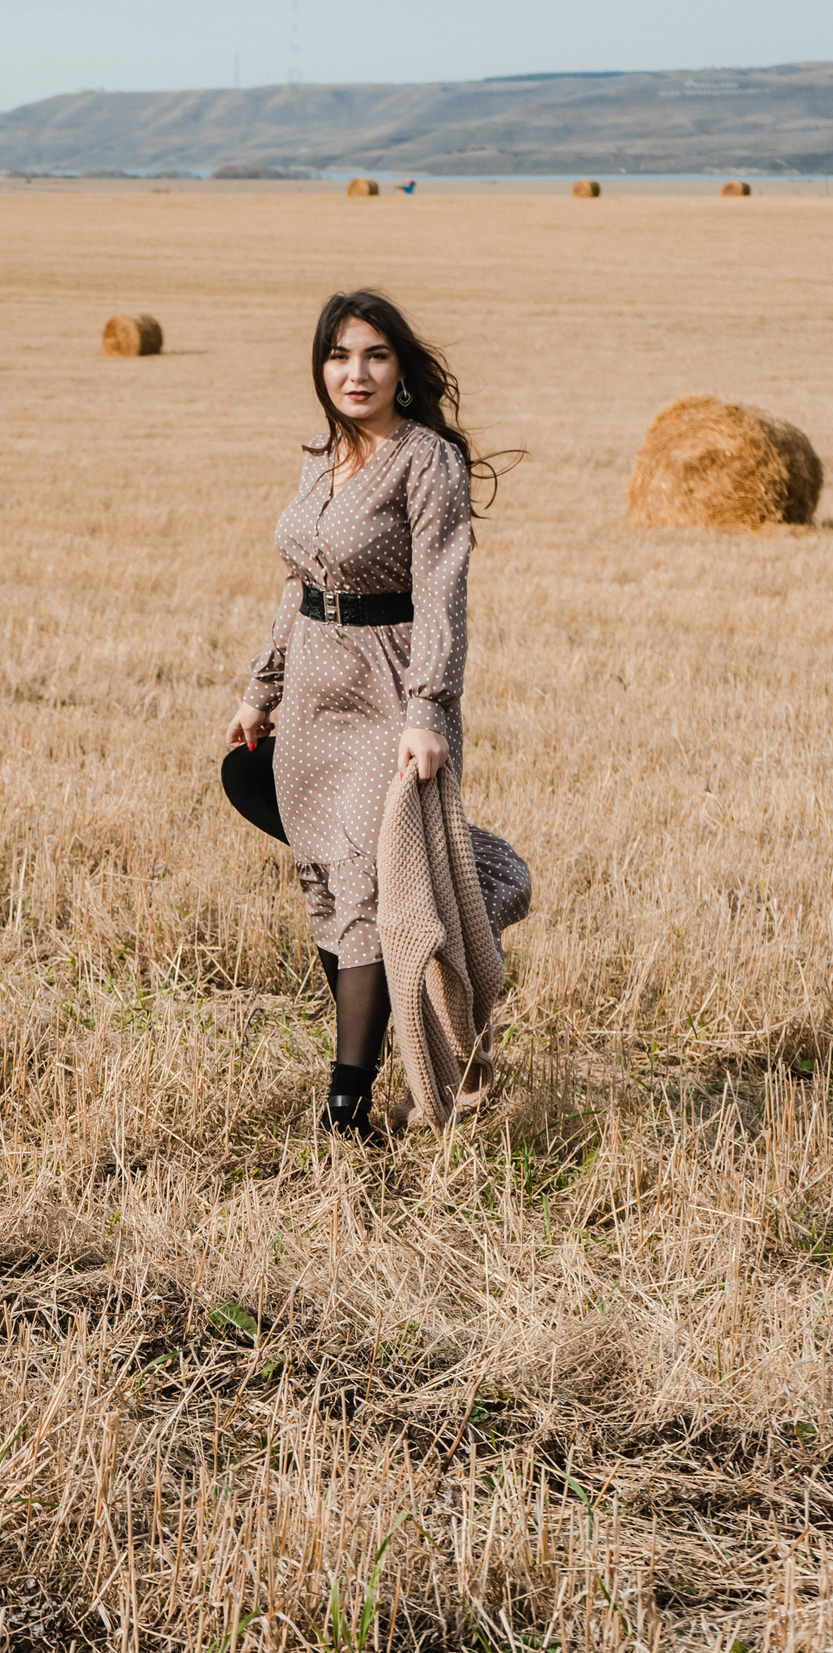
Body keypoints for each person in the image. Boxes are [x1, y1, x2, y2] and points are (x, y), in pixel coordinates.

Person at [220, 289, 525, 1134]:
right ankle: (395, 988)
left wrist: (428, 709)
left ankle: (345, 1106)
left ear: (401, 369)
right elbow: (298, 585)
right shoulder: (321, 456)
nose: (356, 373)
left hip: (390, 689)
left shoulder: (428, 460)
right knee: (329, 875)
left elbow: (442, 594)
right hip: (315, 692)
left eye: (375, 356)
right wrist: (262, 688)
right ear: (320, 367)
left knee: (364, 878)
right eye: (339, 356)